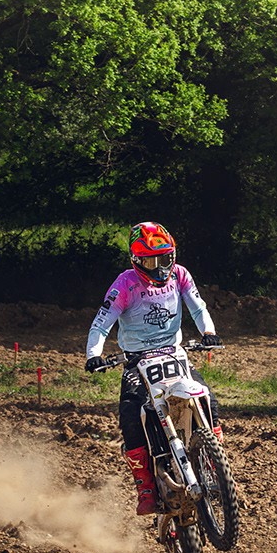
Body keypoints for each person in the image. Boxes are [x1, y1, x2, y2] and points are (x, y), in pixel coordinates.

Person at [85, 221, 223, 515]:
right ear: (136, 260)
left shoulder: (180, 274)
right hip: (137, 360)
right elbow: (102, 323)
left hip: (174, 353)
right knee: (130, 415)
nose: (160, 268)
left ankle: (216, 466)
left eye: (165, 259)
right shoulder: (125, 285)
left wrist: (208, 332)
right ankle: (145, 486)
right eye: (151, 261)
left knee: (208, 399)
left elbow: (197, 306)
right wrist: (94, 355)